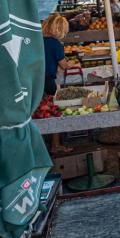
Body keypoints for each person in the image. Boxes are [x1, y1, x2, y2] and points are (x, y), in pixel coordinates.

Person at [42, 14, 73, 153]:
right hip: (47, 81)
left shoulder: (34, 39)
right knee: (53, 112)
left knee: (37, 112)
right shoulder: (55, 44)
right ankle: (55, 144)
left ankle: (40, 145)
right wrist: (70, 63)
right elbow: (63, 65)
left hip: (32, 81)